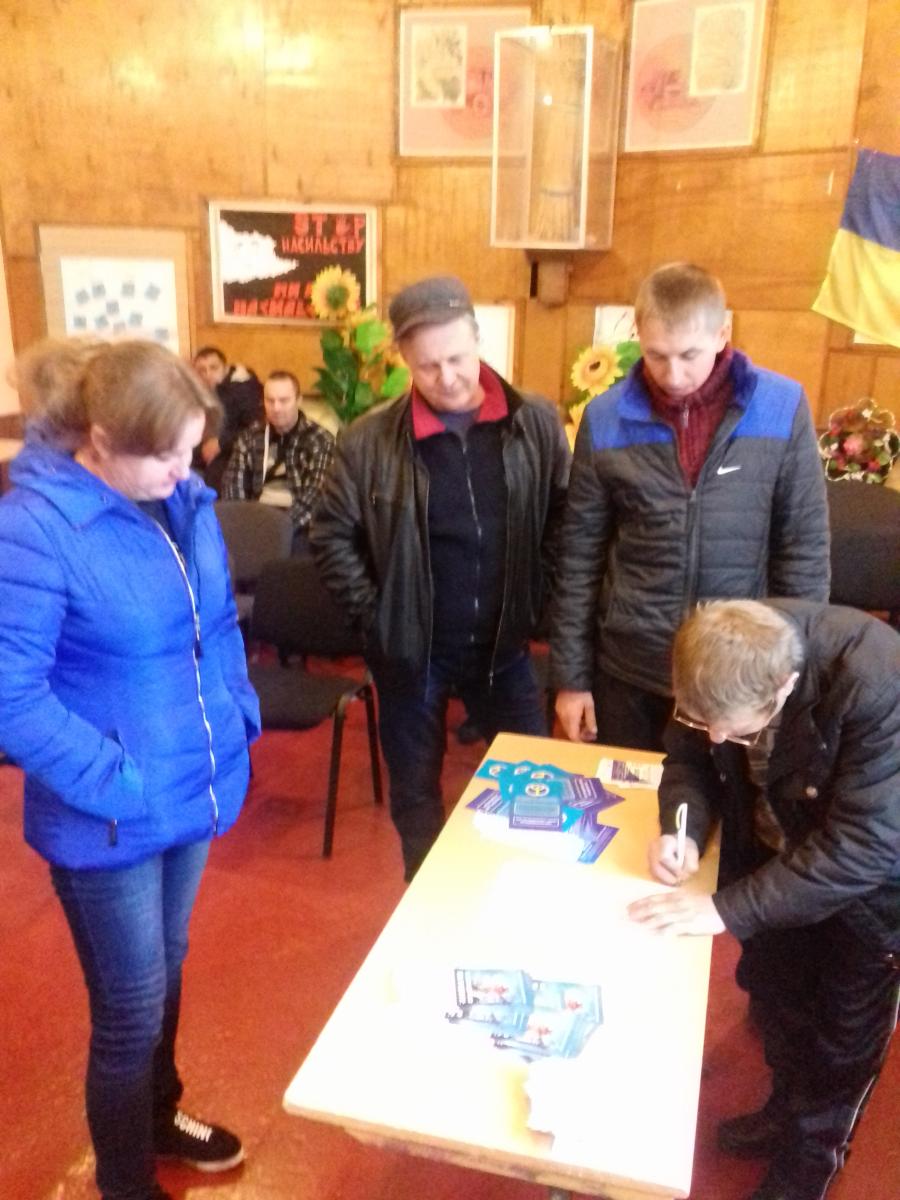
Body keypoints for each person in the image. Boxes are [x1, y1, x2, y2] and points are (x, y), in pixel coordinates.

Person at [0, 338, 261, 1200]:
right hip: (106, 815)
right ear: (101, 439)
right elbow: (10, 694)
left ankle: (158, 1116)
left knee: (168, 969)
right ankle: (124, 1182)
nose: (186, 470)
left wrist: (238, 711)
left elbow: (217, 626)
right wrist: (116, 779)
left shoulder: (182, 503)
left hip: (191, 784)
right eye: (166, 454)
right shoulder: (35, 527)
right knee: (129, 1008)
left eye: (193, 448)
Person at [628, 599, 899, 1200]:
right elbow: (688, 760)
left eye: (737, 728)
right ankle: (785, 1114)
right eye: (704, 719)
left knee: (840, 1047)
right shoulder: (712, 659)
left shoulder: (877, 681)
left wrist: (726, 909)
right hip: (771, 865)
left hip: (868, 899)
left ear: (784, 686)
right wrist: (682, 828)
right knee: (777, 1001)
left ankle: (808, 1169)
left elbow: (863, 848)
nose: (718, 736)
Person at [310, 276, 570, 880]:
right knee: (417, 800)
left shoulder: (534, 422)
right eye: (427, 366)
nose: (447, 377)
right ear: (405, 359)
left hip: (505, 647)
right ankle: (426, 904)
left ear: (478, 340)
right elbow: (330, 536)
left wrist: (541, 598)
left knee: (536, 790)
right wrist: (379, 620)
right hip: (413, 653)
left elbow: (563, 517)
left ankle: (522, 896)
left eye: (457, 358)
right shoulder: (369, 440)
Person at [551, 262, 830, 753]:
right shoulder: (605, 418)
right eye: (656, 356)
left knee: (726, 803)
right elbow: (579, 557)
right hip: (631, 667)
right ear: (638, 335)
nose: (673, 375)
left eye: (689, 355)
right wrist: (571, 679)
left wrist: (795, 670)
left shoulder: (782, 407)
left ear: (722, 334)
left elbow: (803, 549)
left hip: (736, 673)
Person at [222, 369, 335, 555]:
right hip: (254, 519)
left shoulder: (320, 440)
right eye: (270, 400)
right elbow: (233, 485)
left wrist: (276, 529)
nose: (276, 408)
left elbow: (315, 498)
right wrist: (243, 523)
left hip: (298, 525)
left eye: (284, 401)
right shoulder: (250, 437)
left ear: (298, 401)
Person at [192, 345, 262, 491]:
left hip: (233, 452)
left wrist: (220, 443)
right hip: (203, 451)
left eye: (213, 368)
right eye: (202, 370)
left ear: (225, 368)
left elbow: (255, 429)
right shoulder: (196, 394)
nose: (208, 374)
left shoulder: (243, 390)